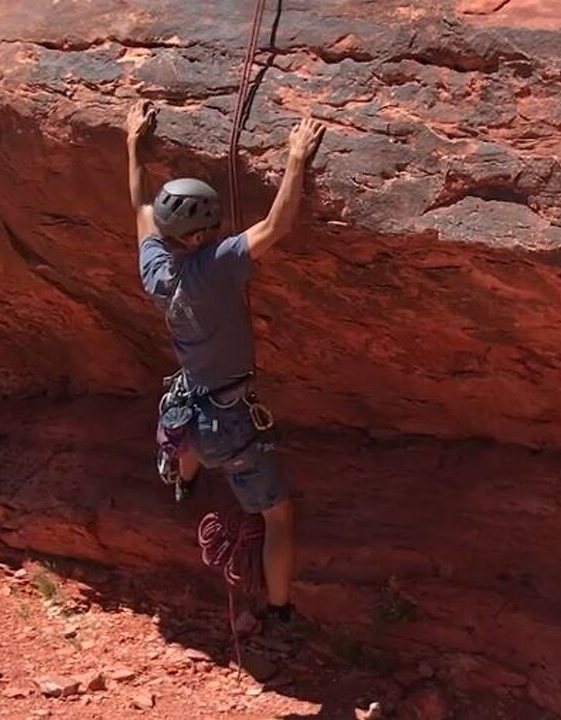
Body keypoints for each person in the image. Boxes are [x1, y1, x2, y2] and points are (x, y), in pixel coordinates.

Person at [125, 99, 325, 631]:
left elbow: (140, 207)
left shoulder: (155, 266)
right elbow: (277, 226)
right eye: (208, 230)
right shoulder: (215, 267)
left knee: (187, 424)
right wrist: (296, 158)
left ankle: (185, 483)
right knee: (277, 515)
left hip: (193, 399)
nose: (214, 235)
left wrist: (133, 147)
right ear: (194, 237)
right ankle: (280, 610)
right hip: (229, 420)